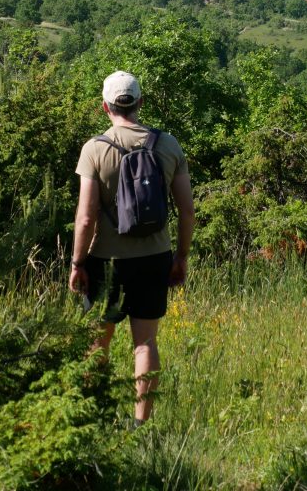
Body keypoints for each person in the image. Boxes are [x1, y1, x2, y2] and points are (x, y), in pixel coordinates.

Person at [69, 70, 195, 424]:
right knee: (145, 344)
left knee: (98, 342)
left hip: (106, 260)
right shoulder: (168, 145)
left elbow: (86, 217)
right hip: (154, 258)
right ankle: (141, 423)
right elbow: (187, 210)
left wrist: (77, 263)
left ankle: (93, 418)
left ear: (104, 107)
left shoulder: (95, 149)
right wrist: (180, 256)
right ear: (140, 102)